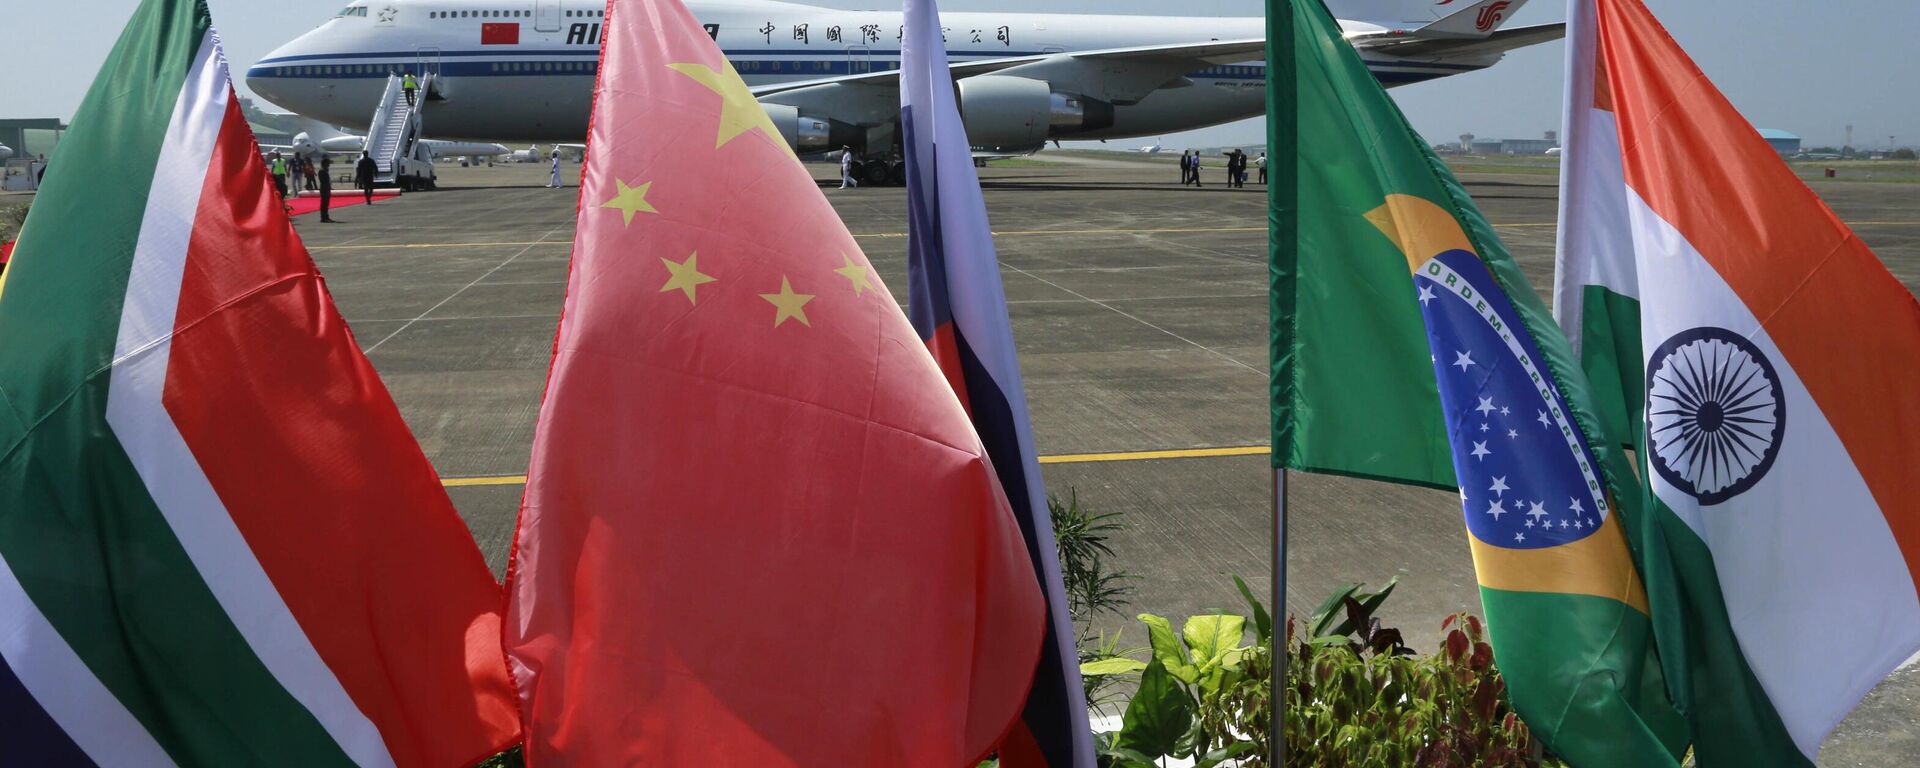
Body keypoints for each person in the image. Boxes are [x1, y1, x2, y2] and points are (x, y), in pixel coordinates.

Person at [317, 154, 336, 222]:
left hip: (326, 188)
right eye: (328, 163)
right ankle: (323, 217)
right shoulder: (322, 171)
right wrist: (327, 188)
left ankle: (326, 216)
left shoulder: (325, 171)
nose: (329, 165)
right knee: (324, 203)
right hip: (324, 189)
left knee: (326, 203)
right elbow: (324, 181)